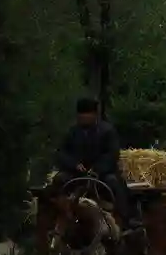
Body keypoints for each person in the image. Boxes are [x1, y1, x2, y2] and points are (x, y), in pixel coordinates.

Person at [52, 98, 141, 232]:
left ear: (94, 115)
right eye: (81, 115)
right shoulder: (72, 132)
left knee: (114, 182)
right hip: (76, 174)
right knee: (59, 180)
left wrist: (97, 169)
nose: (83, 118)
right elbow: (62, 153)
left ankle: (126, 219)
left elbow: (112, 154)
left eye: (87, 115)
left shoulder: (107, 131)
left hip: (101, 174)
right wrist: (74, 164)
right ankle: (53, 218)